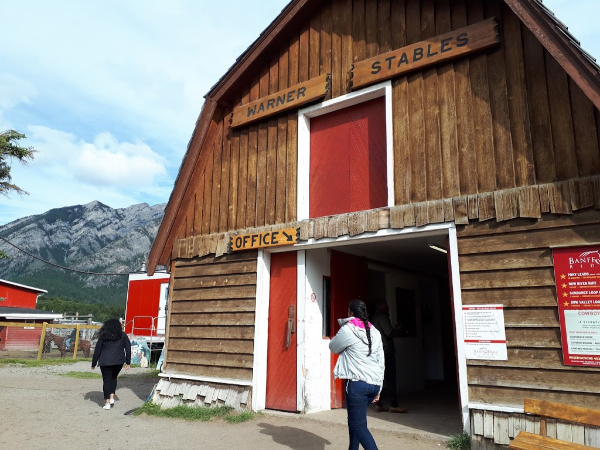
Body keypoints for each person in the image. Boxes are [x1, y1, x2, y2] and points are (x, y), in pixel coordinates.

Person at [329, 299, 385, 450]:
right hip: (373, 385)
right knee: (355, 421)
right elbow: (381, 361)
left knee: (358, 425)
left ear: (351, 313)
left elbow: (333, 347)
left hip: (357, 385)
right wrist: (379, 388)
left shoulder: (348, 329)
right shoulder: (375, 331)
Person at [370, 298, 406, 413]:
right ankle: (394, 405)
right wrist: (397, 329)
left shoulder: (373, 317)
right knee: (391, 378)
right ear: (381, 306)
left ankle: (379, 404)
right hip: (386, 350)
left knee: (379, 377)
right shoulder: (382, 317)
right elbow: (389, 332)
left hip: (376, 350)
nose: (388, 306)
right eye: (386, 305)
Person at [91, 319, 131, 410]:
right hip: (119, 361)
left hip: (105, 362)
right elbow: (128, 348)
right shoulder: (123, 335)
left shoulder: (103, 336)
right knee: (113, 378)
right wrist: (128, 362)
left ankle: (107, 402)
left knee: (107, 381)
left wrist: (93, 363)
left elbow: (97, 350)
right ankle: (112, 397)